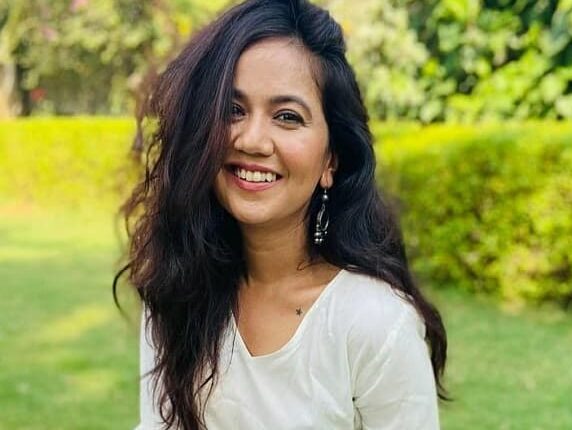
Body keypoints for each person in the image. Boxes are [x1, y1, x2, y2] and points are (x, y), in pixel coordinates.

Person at [113, 0, 448, 428]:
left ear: (331, 160)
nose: (252, 140)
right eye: (233, 110)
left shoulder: (375, 322)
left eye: (287, 117)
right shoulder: (177, 286)